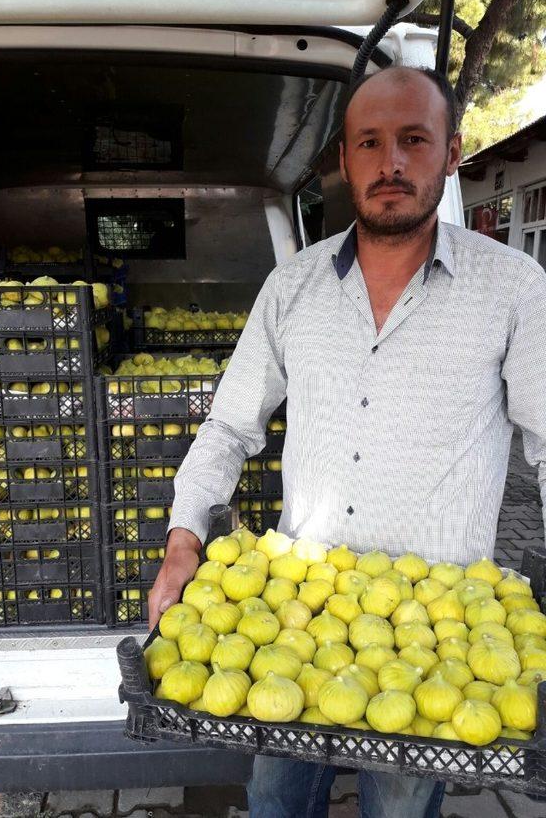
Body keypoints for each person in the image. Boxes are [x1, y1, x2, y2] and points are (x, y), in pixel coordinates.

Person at [147, 66, 546, 817]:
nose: (391, 163)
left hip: (437, 633)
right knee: (276, 795)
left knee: (398, 805)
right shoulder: (291, 289)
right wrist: (182, 542)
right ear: (344, 159)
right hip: (301, 617)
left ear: (451, 152)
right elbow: (230, 427)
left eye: (414, 140)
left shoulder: (515, 291)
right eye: (371, 142)